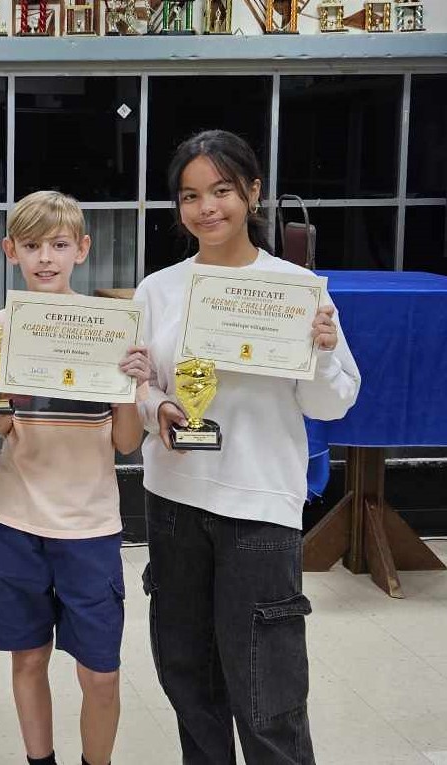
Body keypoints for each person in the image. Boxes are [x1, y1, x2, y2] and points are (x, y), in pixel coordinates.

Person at [136, 129, 360, 764]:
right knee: (188, 677)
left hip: (260, 506)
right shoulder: (160, 289)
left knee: (267, 690)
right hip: (174, 500)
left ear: (253, 193)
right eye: (190, 195)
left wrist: (318, 352)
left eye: (222, 191)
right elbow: (142, 389)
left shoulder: (296, 288)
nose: (206, 208)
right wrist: (160, 409)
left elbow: (331, 403)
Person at [0, 190, 151, 765]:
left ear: (82, 249)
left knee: (100, 673)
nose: (45, 258)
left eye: (58, 245)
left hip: (90, 526)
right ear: (11, 251)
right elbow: (4, 429)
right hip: (15, 521)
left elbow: (126, 442)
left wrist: (130, 384)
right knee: (27, 658)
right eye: (31, 246)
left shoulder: (112, 330)